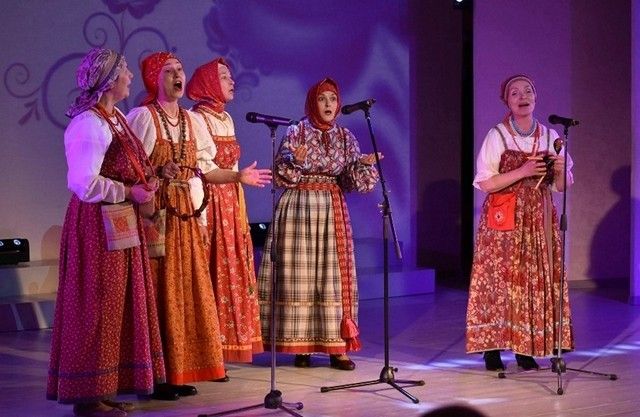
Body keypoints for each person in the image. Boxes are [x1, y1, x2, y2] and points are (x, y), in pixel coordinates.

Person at [47, 48, 165, 417]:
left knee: (117, 304)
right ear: (110, 80)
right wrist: (129, 191)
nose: (130, 76)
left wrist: (151, 180)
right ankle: (87, 396)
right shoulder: (89, 124)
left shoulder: (115, 119)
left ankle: (105, 386)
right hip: (96, 226)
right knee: (97, 305)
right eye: (125, 71)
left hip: (120, 220)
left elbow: (128, 166)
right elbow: (84, 183)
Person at [257, 78, 381, 370]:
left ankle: (337, 348)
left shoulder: (346, 137)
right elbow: (281, 176)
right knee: (298, 277)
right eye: (322, 99)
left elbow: (351, 183)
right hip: (298, 206)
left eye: (332, 99)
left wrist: (362, 166)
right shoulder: (296, 131)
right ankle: (301, 346)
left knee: (333, 277)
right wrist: (296, 163)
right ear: (313, 103)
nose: (328, 104)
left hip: (330, 208)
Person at [126, 52, 227, 400]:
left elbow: (205, 169)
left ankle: (178, 369)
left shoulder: (192, 120)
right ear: (154, 79)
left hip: (184, 213)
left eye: (179, 70)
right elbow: (126, 167)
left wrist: (237, 177)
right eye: (168, 71)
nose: (176, 75)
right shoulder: (143, 117)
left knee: (183, 290)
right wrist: (156, 171)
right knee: (158, 290)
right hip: (154, 213)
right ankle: (154, 375)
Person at [465, 74, 575, 371]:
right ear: (507, 101)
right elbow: (485, 183)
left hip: (538, 218)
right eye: (515, 93)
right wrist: (523, 171)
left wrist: (560, 170)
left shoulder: (550, 136)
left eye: (528, 91)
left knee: (531, 281)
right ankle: (492, 349)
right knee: (499, 281)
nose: (522, 96)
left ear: (536, 96)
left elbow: (561, 187)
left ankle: (526, 348)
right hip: (504, 219)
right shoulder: (497, 135)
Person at [186, 58, 270, 363]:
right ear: (209, 82)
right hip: (210, 201)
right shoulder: (197, 118)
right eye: (223, 76)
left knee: (233, 270)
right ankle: (210, 349)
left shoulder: (226, 118)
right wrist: (235, 178)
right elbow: (202, 170)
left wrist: (239, 187)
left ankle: (230, 345)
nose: (232, 81)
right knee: (212, 272)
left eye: (231, 76)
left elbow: (232, 166)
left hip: (232, 202)